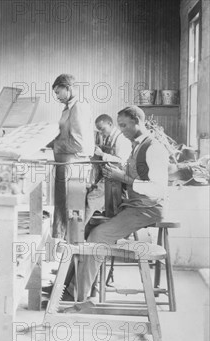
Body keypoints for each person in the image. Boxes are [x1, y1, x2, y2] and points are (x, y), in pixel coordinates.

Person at [68, 105, 169, 305]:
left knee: (98, 235)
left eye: (124, 126)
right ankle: (80, 288)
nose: (121, 130)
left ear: (137, 121)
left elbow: (158, 189)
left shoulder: (154, 148)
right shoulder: (137, 145)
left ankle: (80, 298)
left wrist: (123, 177)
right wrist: (118, 173)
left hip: (147, 208)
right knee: (89, 227)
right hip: (135, 205)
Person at [50, 73, 95, 241]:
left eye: (58, 92)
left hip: (74, 165)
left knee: (71, 212)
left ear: (68, 88)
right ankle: (65, 252)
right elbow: (67, 135)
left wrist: (55, 145)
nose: (57, 97)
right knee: (63, 208)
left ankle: (71, 253)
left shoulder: (79, 106)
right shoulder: (70, 106)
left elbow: (79, 144)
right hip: (66, 163)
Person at [84, 114, 132, 225]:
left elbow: (121, 161)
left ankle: (78, 234)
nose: (101, 133)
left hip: (117, 177)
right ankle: (87, 231)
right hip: (107, 175)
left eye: (102, 129)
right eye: (99, 130)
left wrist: (102, 154)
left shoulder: (122, 139)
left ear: (110, 124)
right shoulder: (108, 138)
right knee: (88, 194)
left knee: (92, 199)